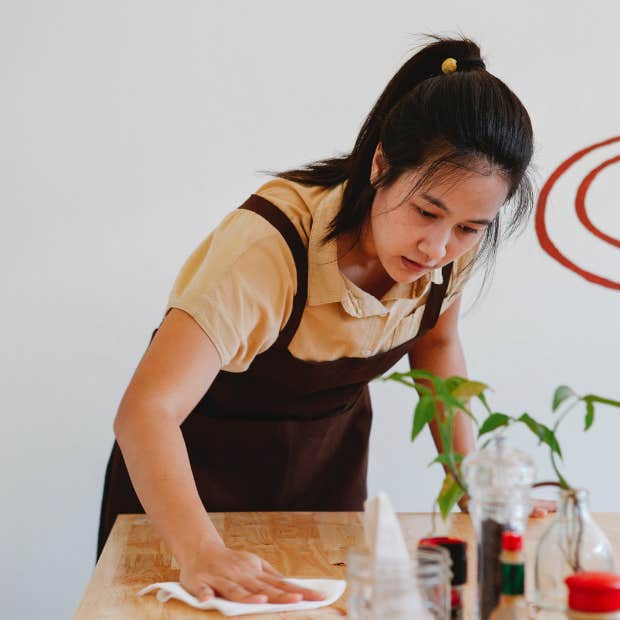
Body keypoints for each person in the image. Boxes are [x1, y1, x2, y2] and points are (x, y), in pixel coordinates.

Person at [98, 36, 546, 605]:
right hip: (191, 500)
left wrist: (470, 479)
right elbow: (146, 411)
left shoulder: (454, 245)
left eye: (469, 227)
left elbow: (437, 343)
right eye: (426, 211)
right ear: (381, 164)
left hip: (325, 483)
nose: (437, 246)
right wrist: (200, 550)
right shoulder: (269, 246)